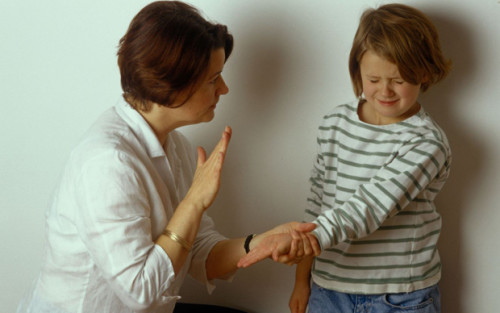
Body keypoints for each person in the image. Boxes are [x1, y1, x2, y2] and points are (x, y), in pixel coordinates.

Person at [16, 2, 320, 313]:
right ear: (172, 85)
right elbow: (142, 292)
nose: (225, 89)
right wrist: (193, 203)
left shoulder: (178, 148)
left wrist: (261, 243)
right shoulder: (108, 164)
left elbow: (197, 251)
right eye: (214, 79)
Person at [240, 3, 452, 313]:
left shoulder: (426, 142)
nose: (386, 91)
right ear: (358, 70)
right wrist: (302, 279)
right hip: (329, 289)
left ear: (424, 72)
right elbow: (316, 205)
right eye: (374, 79)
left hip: (399, 297)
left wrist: (304, 242)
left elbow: (370, 205)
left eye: (399, 79)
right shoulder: (335, 124)